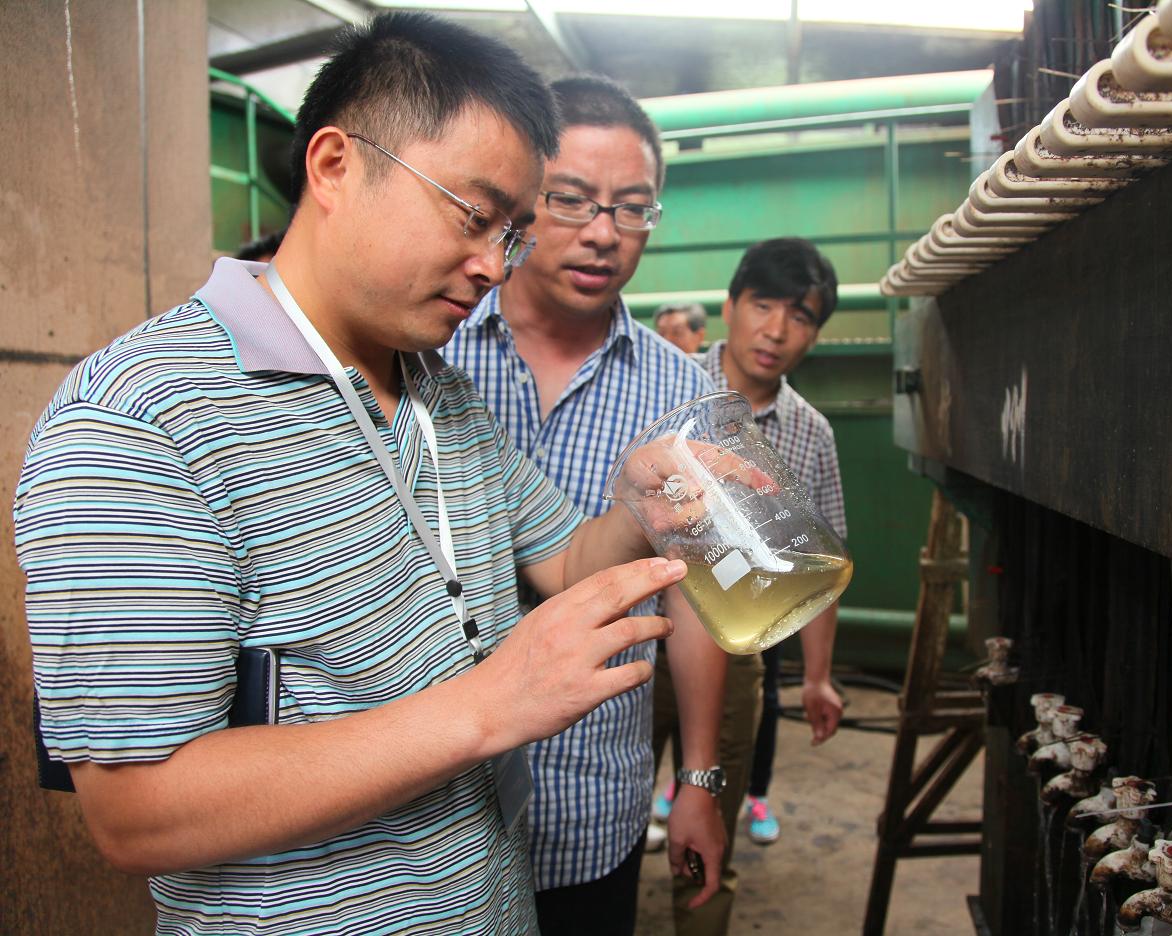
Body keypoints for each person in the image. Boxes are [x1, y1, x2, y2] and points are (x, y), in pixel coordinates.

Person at [14, 15, 692, 935]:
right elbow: (137, 811)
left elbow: (570, 562)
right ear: (334, 165)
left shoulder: (440, 392)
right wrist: (490, 706)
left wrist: (641, 499)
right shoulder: (144, 418)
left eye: (511, 235)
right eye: (473, 216)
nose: (492, 267)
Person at [442, 75, 729, 935]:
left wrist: (698, 780)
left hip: (591, 795)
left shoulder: (681, 391)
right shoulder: (433, 352)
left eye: (632, 208)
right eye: (571, 199)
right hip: (431, 810)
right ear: (522, 197)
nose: (604, 232)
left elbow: (694, 594)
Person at [650, 237, 848, 934]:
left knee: (709, 821)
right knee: (601, 817)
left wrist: (817, 678)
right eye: (763, 305)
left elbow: (821, 565)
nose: (776, 330)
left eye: (800, 316)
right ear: (731, 306)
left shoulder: (811, 434)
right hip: (633, 640)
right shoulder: (665, 387)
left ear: (815, 334)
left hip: (733, 656)